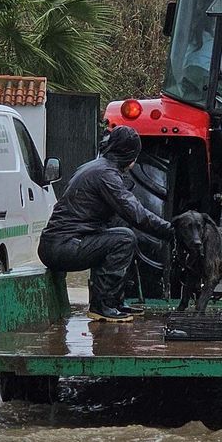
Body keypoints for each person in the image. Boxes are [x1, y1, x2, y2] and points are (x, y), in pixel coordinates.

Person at [38, 126, 174, 322]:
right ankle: (102, 306)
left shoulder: (96, 167)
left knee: (120, 231)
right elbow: (137, 214)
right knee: (124, 239)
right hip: (63, 247)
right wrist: (171, 231)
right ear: (130, 155)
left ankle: (114, 302)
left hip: (59, 243)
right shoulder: (106, 175)